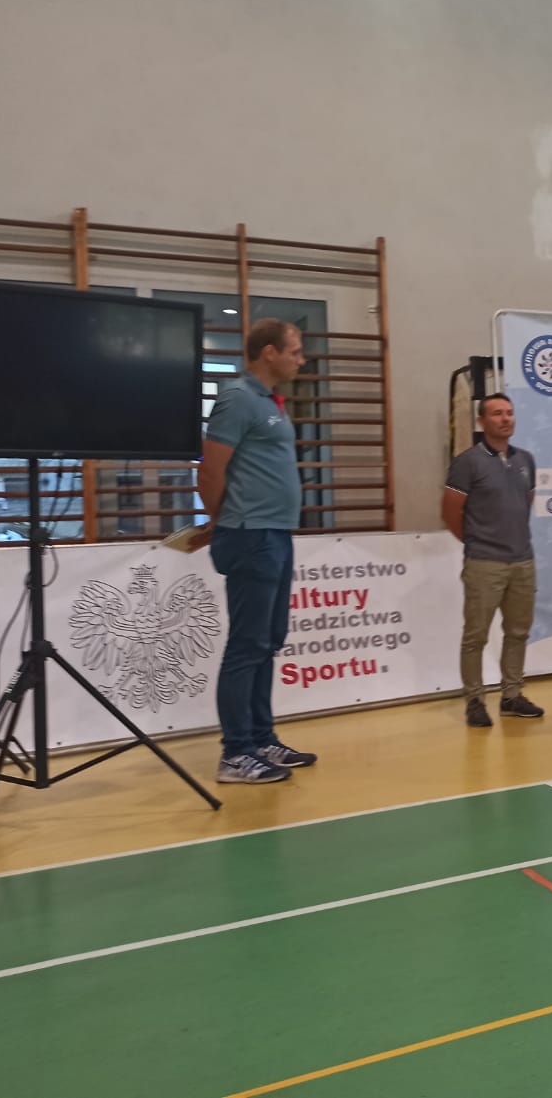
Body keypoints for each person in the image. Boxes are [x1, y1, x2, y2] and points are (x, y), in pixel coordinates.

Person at [197, 318, 319, 784]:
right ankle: (235, 753)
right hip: (251, 534)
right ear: (269, 352)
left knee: (267, 641)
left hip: (276, 533)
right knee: (247, 645)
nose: (301, 359)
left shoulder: (269, 401)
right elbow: (210, 471)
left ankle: (262, 738)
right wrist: (223, 519)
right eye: (295, 351)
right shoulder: (237, 398)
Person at [442, 393, 543, 727]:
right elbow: (450, 512)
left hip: (522, 562)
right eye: (497, 413)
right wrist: (478, 542)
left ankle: (512, 696)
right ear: (482, 421)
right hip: (484, 563)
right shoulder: (467, 462)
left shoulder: (526, 460)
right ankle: (474, 700)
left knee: (518, 632)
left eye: (509, 413)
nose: (505, 419)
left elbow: (525, 503)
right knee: (476, 636)